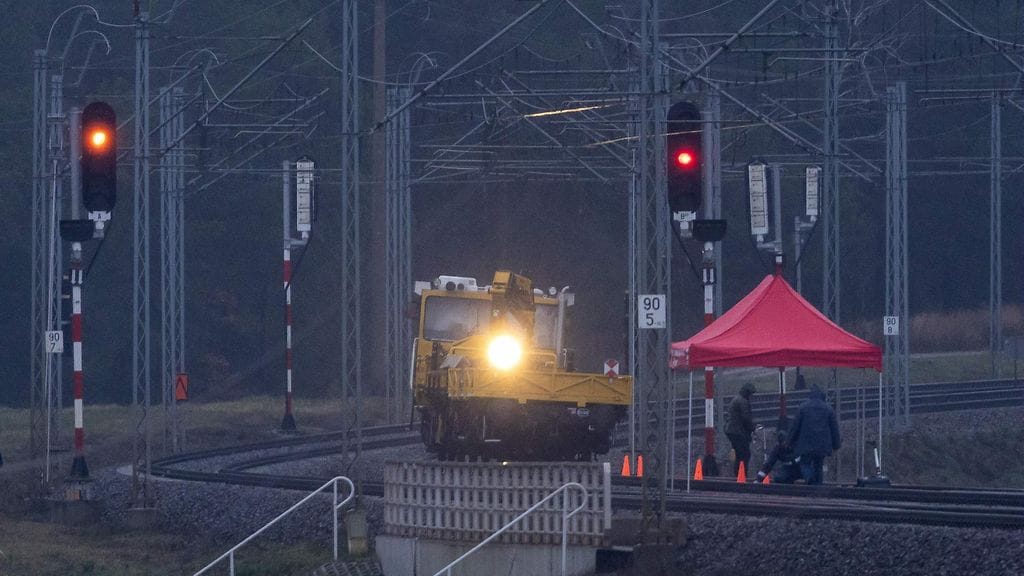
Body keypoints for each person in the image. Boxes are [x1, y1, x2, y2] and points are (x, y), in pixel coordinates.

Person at [788, 384, 841, 485]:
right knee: (819, 465)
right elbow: (834, 429)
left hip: (806, 444)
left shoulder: (803, 407)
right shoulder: (828, 409)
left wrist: (789, 442)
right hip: (822, 445)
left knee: (804, 463)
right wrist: (836, 444)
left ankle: (809, 478)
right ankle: (819, 488)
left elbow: (795, 427)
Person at [726, 382, 757, 478]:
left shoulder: (737, 399)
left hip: (732, 431)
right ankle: (742, 475)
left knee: (739, 454)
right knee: (744, 454)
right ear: (747, 393)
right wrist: (752, 428)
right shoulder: (743, 402)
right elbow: (746, 418)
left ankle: (739, 474)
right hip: (738, 432)